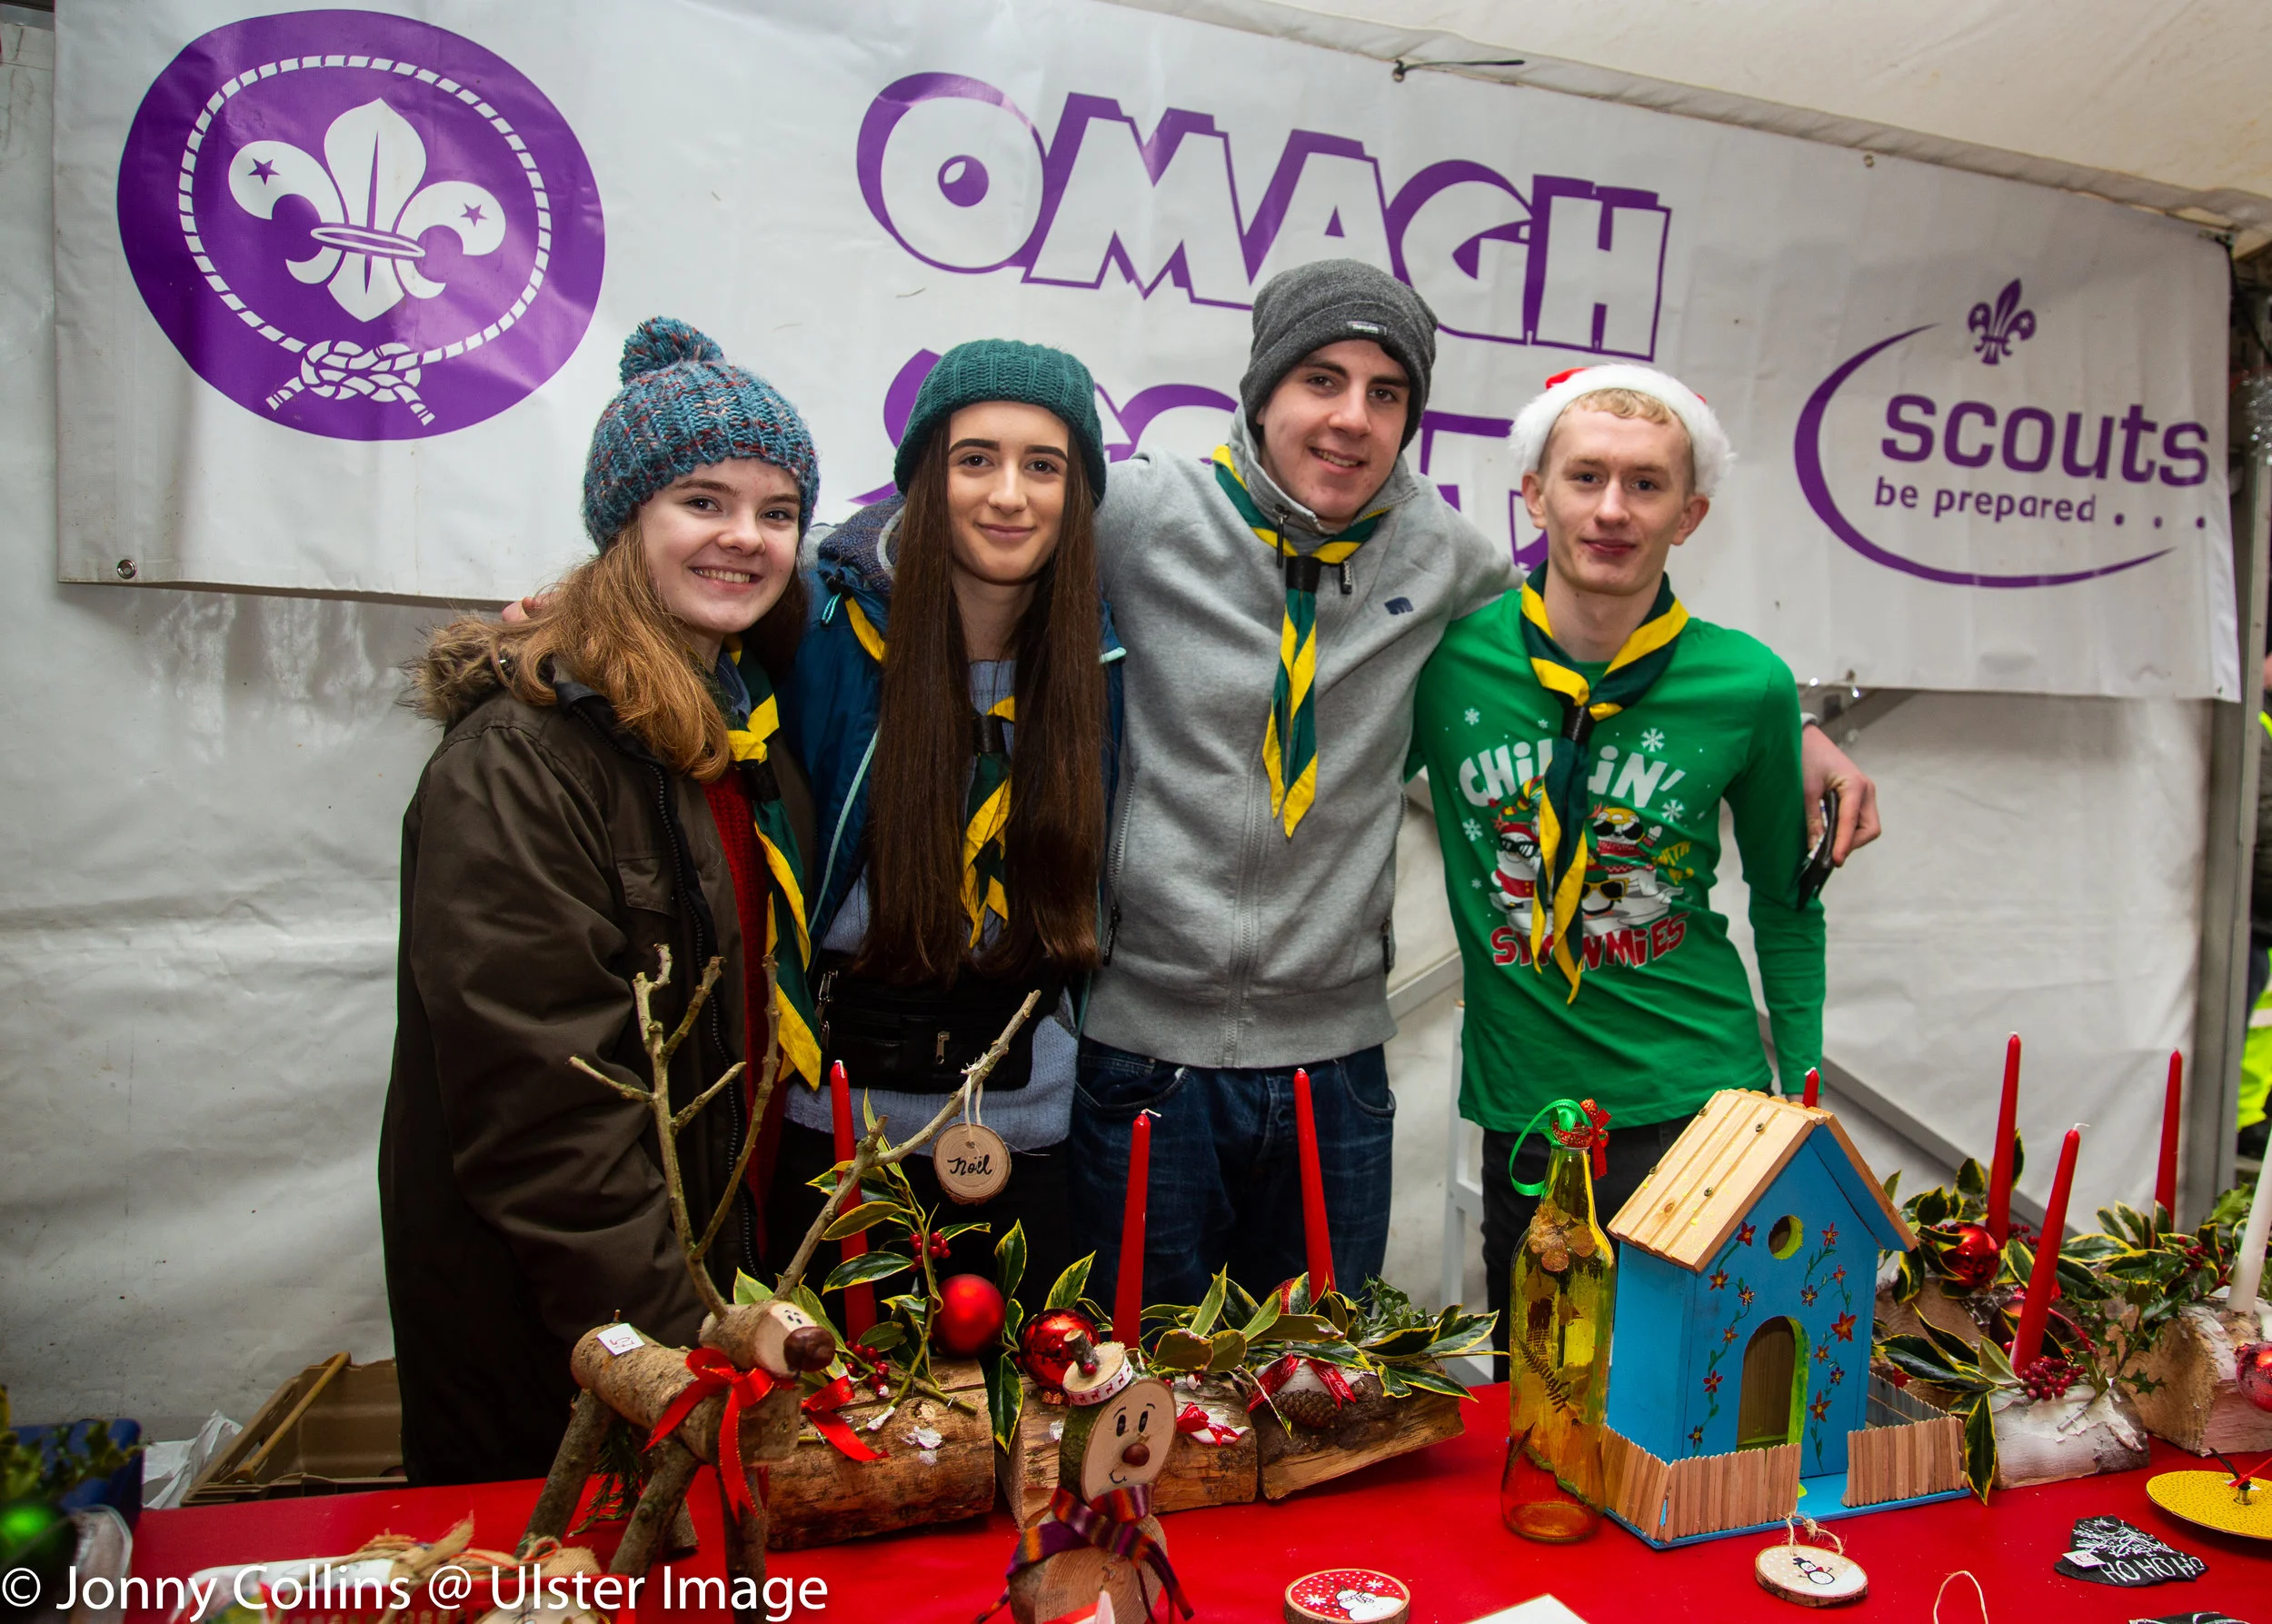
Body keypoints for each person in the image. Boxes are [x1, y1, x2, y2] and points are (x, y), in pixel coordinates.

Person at [1071, 261, 1879, 1308]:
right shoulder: (1158, 515)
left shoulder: (1457, 572)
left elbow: (1614, 648)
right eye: (1321, 379)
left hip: (1503, 1081)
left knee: (1671, 1385)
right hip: (1198, 1056)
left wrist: (1793, 726)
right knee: (1143, 1387)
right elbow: (967, 553)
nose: (1351, 417)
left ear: (1690, 512)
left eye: (1386, 392)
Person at [379, 318, 821, 1484]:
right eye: (702, 500)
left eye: (777, 512)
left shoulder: (735, 733)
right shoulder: (520, 763)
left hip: (695, 1294)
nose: (745, 536)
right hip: (568, 1349)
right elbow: (547, 1115)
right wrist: (680, 1349)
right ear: (625, 521)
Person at [1408, 364, 1825, 1363]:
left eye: (1645, 484)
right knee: (1547, 1402)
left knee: (1697, 1394)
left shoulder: (1748, 683)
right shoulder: (1443, 663)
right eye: (1585, 476)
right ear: (1533, 493)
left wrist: (1801, 1101)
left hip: (1704, 1102)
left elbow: (1784, 898)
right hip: (1531, 1113)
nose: (1611, 509)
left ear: (1689, 514)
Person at [772, 341, 1121, 1309]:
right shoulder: (817, 625)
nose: (1009, 494)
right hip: (839, 1138)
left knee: (1017, 1441)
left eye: (1042, 465)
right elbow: (669, 626)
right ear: (927, 475)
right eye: (976, 459)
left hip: (1031, 1134)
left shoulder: (1105, 660)